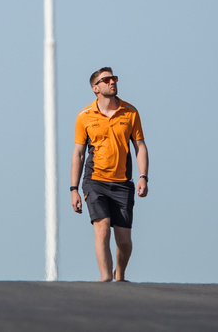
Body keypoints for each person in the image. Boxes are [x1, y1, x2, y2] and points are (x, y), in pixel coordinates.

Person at [70, 66, 149, 282]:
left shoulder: (130, 112)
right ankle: (105, 278)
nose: (112, 82)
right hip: (95, 181)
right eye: (106, 80)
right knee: (102, 229)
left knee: (124, 240)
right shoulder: (84, 116)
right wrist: (74, 189)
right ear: (95, 88)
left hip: (123, 182)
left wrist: (143, 176)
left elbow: (140, 147)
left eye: (113, 78)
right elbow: (78, 154)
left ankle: (119, 275)